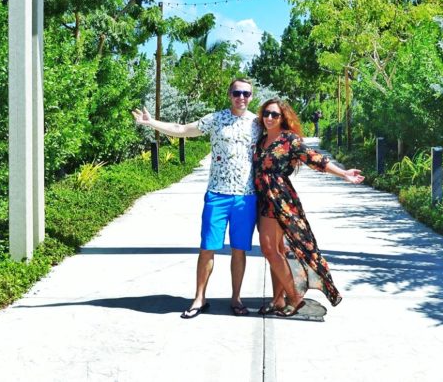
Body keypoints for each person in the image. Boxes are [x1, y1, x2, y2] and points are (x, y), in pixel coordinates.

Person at [132, 78, 260, 319]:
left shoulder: (257, 123)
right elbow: (183, 130)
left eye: (246, 93)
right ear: (229, 94)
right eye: (236, 92)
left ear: (251, 96)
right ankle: (199, 298)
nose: (241, 97)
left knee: (239, 250)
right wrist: (152, 123)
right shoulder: (216, 119)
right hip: (217, 194)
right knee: (207, 249)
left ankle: (236, 298)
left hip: (246, 197)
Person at [254, 98, 364, 317]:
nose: (269, 118)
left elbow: (314, 158)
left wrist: (343, 173)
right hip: (262, 197)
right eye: (266, 113)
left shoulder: (289, 139)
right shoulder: (261, 139)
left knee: (269, 249)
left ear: (282, 117)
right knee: (277, 251)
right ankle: (278, 299)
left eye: (275, 115)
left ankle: (295, 298)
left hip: (280, 199)